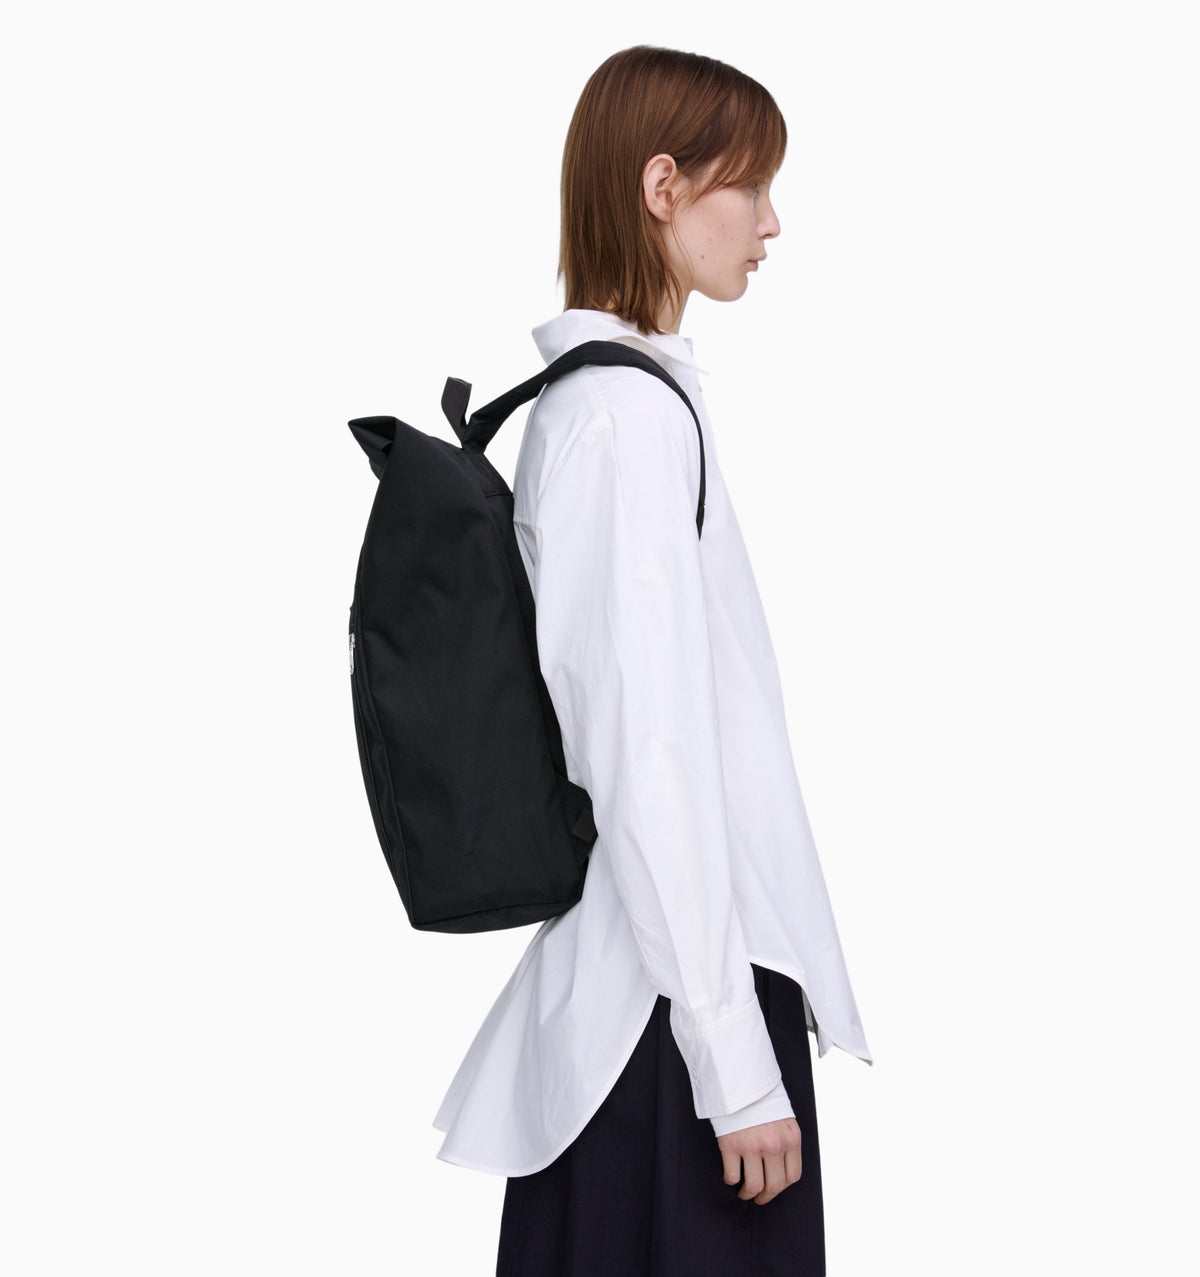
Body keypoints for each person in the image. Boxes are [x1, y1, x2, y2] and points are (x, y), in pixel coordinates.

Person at [431, 45, 871, 1276]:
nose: (772, 223)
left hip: (673, 996)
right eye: (753, 185)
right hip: (670, 1023)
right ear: (663, 185)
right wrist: (735, 1062)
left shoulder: (626, 404)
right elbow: (647, 750)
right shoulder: (621, 421)